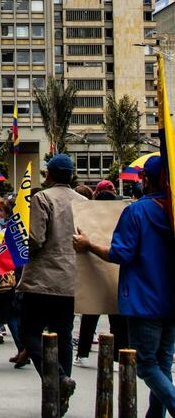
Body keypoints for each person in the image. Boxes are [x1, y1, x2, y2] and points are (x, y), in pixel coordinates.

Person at [74, 155, 175, 418]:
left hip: (143, 300)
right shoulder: (172, 211)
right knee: (162, 363)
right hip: (170, 299)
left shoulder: (136, 212)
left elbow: (121, 254)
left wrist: (89, 245)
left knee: (146, 365)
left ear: (146, 180)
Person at [18, 153, 88, 416]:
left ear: (48, 174)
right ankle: (62, 390)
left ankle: (57, 379)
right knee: (64, 335)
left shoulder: (42, 198)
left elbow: (36, 238)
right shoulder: (83, 200)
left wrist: (23, 248)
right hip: (71, 279)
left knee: (30, 333)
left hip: (42, 280)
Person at [74, 180, 128, 368]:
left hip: (92, 266)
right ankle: (118, 353)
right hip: (116, 269)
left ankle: (82, 352)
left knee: (91, 312)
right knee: (117, 316)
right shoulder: (122, 214)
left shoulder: (87, 217)